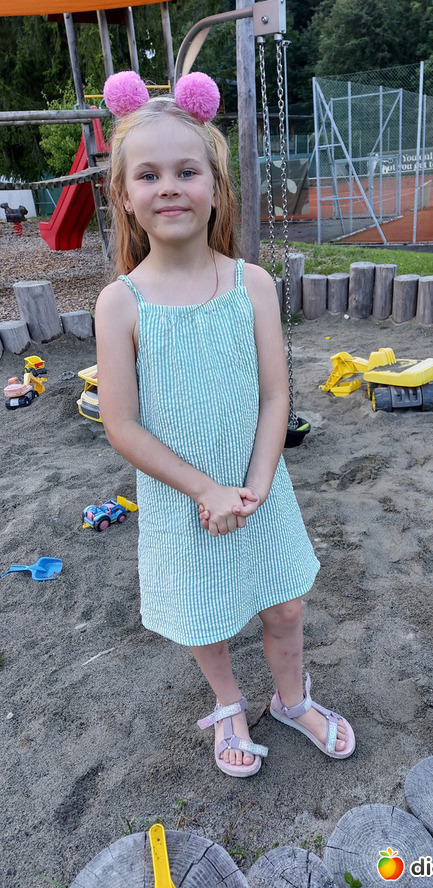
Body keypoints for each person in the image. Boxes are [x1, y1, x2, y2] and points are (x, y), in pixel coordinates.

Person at [95, 70, 355, 778]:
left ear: (216, 186)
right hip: (182, 501)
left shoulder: (252, 285)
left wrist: (257, 483)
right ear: (124, 195)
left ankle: (292, 701)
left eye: (187, 171)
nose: (169, 187)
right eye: (148, 174)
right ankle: (229, 704)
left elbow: (275, 397)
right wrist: (205, 490)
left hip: (261, 489)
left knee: (285, 609)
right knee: (204, 618)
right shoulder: (120, 304)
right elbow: (122, 424)